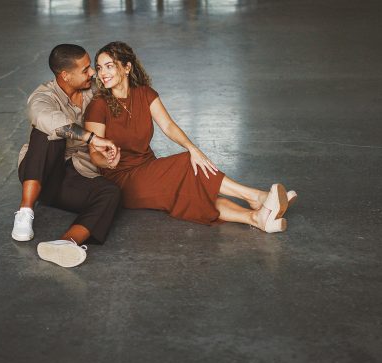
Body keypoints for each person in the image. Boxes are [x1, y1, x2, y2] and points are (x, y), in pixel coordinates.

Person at [83, 41, 297, 233]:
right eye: (100, 68)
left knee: (195, 188)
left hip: (148, 168)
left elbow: (168, 125)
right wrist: (108, 161)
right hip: (122, 179)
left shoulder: (144, 93)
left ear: (127, 67)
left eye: (109, 66)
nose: (103, 73)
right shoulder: (99, 105)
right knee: (187, 163)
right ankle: (256, 197)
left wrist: (193, 148)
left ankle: (256, 218)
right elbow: (94, 152)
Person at [14, 44, 124, 268]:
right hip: (40, 172)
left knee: (111, 193)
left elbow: (121, 90)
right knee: (47, 133)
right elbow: (48, 119)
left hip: (73, 174)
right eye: (85, 70)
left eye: (90, 67)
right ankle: (25, 212)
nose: (92, 72)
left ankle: (66, 243)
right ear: (65, 75)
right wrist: (93, 138)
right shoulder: (43, 96)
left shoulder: (92, 89)